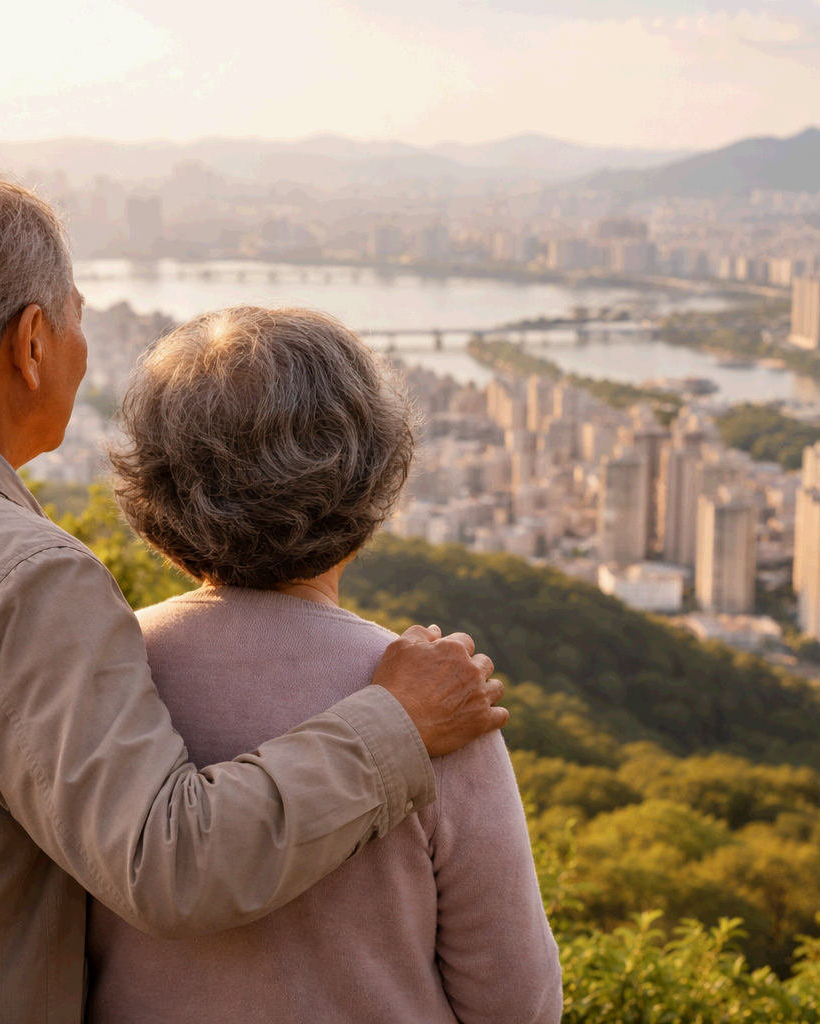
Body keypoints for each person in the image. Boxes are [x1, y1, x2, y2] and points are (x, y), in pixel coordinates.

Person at [0, 174, 506, 1023]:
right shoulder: (18, 574)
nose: (81, 347)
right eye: (75, 318)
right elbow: (169, 866)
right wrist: (394, 723)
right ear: (31, 343)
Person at [86, 306, 561, 1024]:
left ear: (155, 491)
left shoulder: (95, 679)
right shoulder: (434, 701)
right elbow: (517, 1004)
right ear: (368, 484)